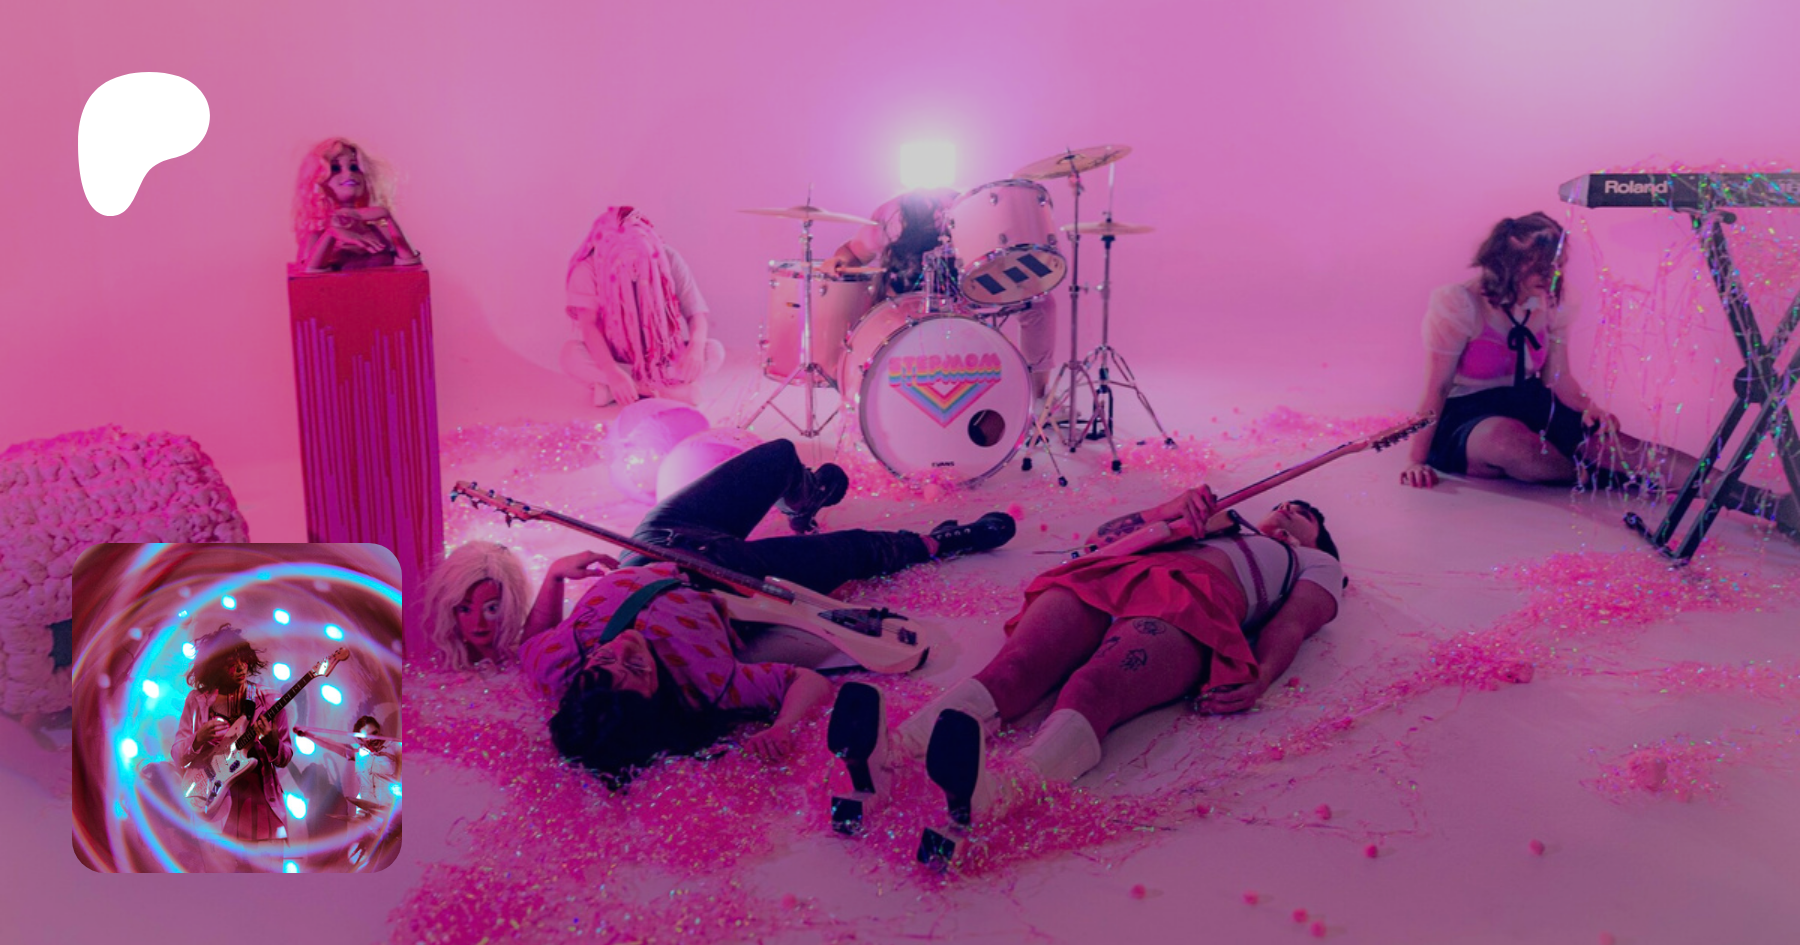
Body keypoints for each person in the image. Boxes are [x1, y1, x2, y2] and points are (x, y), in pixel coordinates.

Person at [827, 486, 1343, 865]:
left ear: (1319, 539)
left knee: (1094, 688)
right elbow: (1101, 539)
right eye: (1286, 504)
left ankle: (997, 794)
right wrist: (1167, 510)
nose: (1291, 508)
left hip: (1195, 600)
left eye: (1305, 514)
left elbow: (1295, 622)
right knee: (1015, 668)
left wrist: (1262, 676)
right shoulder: (1222, 517)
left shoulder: (1313, 560)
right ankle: (891, 753)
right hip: (1114, 572)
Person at [510, 438, 1017, 786]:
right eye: (637, 667)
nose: (622, 648)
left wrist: (554, 576)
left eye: (606, 659)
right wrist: (783, 727)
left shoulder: (556, 664)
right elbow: (804, 682)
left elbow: (529, 643)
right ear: (659, 698)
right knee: (856, 552)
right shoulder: (708, 685)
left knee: (778, 456)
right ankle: (939, 541)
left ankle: (806, 498)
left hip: (661, 535)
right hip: (738, 574)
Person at [1400, 212, 1800, 537]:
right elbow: (1437, 386)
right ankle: (1618, 478)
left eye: (1556, 264)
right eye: (1539, 264)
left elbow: (1558, 379)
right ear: (1507, 262)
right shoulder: (1460, 304)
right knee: (1510, 444)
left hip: (1532, 402)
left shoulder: (1552, 302)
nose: (1551, 273)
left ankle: (1766, 504)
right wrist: (1416, 459)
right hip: (1468, 413)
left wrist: (1590, 408)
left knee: (1622, 446)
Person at [825, 189, 1058, 402]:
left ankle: (1037, 398)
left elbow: (992, 253)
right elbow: (852, 252)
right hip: (905, 306)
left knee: (1040, 303)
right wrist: (839, 260)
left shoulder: (965, 204)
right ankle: (859, 384)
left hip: (965, 296)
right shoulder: (891, 214)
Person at [561, 206, 725, 407]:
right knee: (570, 355)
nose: (633, 269)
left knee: (714, 352)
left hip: (663, 359)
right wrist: (611, 371)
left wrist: (696, 348)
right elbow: (589, 325)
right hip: (615, 359)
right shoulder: (587, 269)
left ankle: (615, 390)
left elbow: (696, 312)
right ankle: (659, 390)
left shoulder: (668, 258)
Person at [171, 624, 294, 854]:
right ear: (215, 665)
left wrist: (273, 743)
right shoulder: (197, 701)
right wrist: (197, 739)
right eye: (230, 663)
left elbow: (285, 756)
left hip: (261, 813)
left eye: (243, 660)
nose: (240, 667)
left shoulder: (270, 700)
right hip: (213, 815)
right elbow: (177, 753)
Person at [292, 137, 421, 273]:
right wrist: (332, 234)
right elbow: (309, 274)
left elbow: (411, 266)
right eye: (335, 168)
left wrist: (387, 217)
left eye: (354, 167)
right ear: (319, 180)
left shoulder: (380, 230)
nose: (349, 173)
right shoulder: (317, 233)